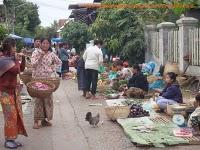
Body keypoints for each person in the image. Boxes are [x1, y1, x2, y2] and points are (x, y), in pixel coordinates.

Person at [0, 38, 28, 149]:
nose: (16, 48)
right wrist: (16, 59)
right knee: (10, 116)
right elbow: (16, 70)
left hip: (14, 91)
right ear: (8, 47)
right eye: (14, 46)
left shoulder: (11, 59)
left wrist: (24, 59)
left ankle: (12, 138)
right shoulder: (3, 60)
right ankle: (8, 140)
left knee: (16, 115)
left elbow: (21, 69)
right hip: (5, 92)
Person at [31, 38, 62, 129]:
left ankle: (44, 120)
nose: (45, 45)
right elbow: (33, 65)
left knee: (47, 100)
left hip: (48, 80)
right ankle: (36, 121)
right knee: (38, 100)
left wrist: (53, 68)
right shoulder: (36, 53)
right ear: (40, 44)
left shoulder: (51, 54)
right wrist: (40, 57)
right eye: (43, 43)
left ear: (49, 44)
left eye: (47, 43)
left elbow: (59, 62)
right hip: (37, 79)